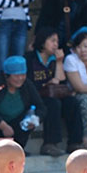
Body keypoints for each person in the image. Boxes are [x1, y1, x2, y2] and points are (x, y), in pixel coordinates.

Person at [25, 27, 82, 155]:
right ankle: (49, 143)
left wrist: (59, 62)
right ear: (42, 42)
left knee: (72, 102)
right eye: (52, 41)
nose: (56, 44)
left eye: (57, 41)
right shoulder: (30, 58)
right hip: (35, 96)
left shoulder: (55, 59)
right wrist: (45, 84)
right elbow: (26, 82)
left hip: (51, 94)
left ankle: (75, 143)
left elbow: (61, 82)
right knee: (52, 104)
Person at [0, 55, 46, 149]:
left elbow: (41, 106)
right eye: (16, 75)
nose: (20, 78)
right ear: (7, 75)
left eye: (23, 75)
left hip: (17, 126)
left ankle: (18, 149)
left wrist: (36, 119)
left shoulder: (27, 84)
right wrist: (2, 125)